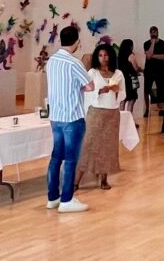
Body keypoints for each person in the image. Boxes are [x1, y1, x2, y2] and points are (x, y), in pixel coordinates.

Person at [44, 24, 92, 213]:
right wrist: (78, 87)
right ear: (77, 42)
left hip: (55, 116)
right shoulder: (74, 63)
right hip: (72, 116)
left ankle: (52, 197)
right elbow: (90, 86)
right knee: (71, 159)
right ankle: (67, 199)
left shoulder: (51, 61)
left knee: (56, 157)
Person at [75, 44, 125, 190]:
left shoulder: (118, 74)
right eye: (101, 55)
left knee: (108, 147)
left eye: (106, 55)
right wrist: (99, 91)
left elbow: (123, 94)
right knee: (88, 145)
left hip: (112, 114)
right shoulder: (92, 73)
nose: (104, 58)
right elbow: (84, 91)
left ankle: (104, 179)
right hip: (96, 113)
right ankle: (76, 180)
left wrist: (117, 90)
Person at [142, 25, 164, 111]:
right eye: (152, 32)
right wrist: (153, 43)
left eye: (155, 32)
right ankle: (147, 109)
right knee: (146, 90)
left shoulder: (163, 43)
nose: (153, 34)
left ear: (158, 33)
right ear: (150, 33)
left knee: (161, 90)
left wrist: (152, 55)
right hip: (149, 70)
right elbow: (148, 57)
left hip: (159, 71)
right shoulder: (146, 44)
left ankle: (162, 109)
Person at [116, 38, 140, 114]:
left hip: (123, 79)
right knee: (132, 100)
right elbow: (136, 68)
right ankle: (129, 118)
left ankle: (121, 118)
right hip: (131, 79)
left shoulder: (120, 56)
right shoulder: (131, 55)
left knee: (123, 100)